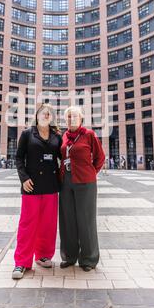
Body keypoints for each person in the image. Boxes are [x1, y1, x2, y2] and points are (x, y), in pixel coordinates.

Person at [12, 104, 62, 280]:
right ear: (37, 115)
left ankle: (43, 255)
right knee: (27, 224)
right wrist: (23, 178)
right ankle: (21, 262)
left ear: (52, 117)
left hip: (50, 186)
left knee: (48, 224)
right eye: (43, 112)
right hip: (31, 186)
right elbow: (19, 158)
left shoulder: (57, 136)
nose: (46, 115)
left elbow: (63, 158)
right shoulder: (27, 134)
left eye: (49, 113)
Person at [59, 106, 105, 272]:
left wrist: (91, 171)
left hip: (85, 182)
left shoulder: (89, 135)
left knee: (85, 220)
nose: (71, 119)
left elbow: (100, 157)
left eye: (74, 116)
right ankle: (69, 256)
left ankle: (88, 259)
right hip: (66, 182)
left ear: (81, 119)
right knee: (67, 220)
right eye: (68, 117)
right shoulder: (63, 136)